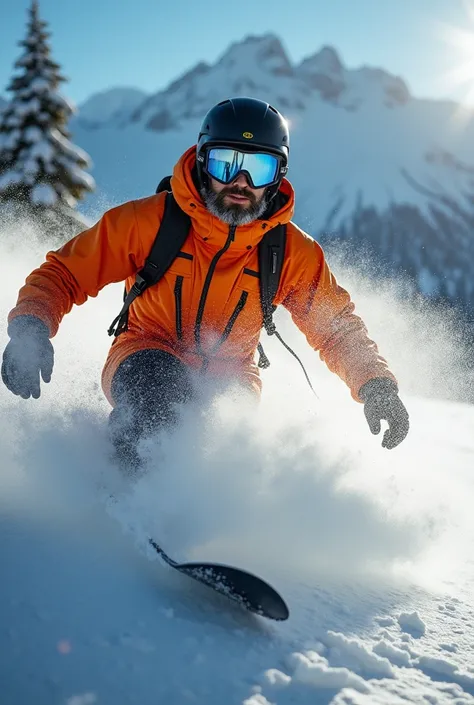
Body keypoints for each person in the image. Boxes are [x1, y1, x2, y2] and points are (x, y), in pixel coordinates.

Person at [2, 96, 409, 470]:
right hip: (145, 351)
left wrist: (375, 385)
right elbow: (65, 272)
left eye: (259, 168)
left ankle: (208, 526)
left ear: (278, 175)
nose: (241, 181)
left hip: (233, 376)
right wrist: (31, 326)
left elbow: (335, 328)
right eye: (225, 163)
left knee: (220, 446)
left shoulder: (289, 252)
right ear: (201, 162)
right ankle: (127, 508)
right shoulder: (150, 222)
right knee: (159, 404)